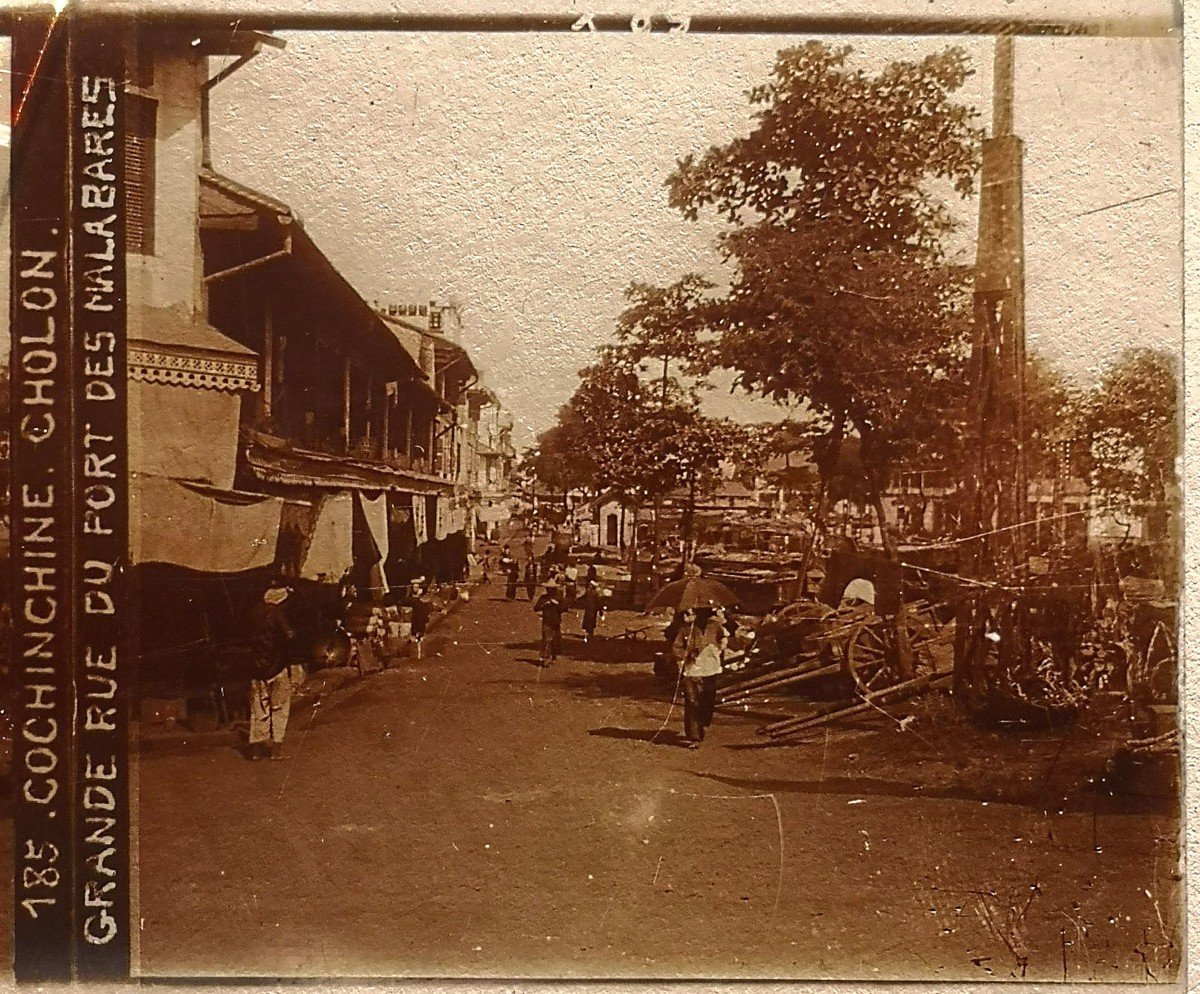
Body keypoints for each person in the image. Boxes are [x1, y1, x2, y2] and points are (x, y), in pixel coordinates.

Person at [247, 579, 301, 760]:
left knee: (258, 709)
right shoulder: (277, 614)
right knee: (280, 707)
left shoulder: (254, 614)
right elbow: (290, 636)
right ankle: (276, 749)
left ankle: (256, 750)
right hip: (276, 667)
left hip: (256, 669)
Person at [679, 607, 727, 749]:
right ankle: (694, 736)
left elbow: (723, 640)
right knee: (692, 702)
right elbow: (677, 647)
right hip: (692, 671)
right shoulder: (686, 629)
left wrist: (718, 649)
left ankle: (702, 724)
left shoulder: (715, 628)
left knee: (707, 701)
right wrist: (687, 654)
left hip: (710, 670)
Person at [533, 581, 565, 666]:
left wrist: (557, 604)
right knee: (546, 639)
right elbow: (536, 608)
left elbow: (564, 608)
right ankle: (546, 658)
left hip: (556, 622)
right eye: (548, 589)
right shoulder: (543, 598)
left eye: (551, 589)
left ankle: (553, 656)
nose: (549, 590)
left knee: (555, 640)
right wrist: (544, 604)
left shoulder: (558, 598)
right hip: (546, 622)